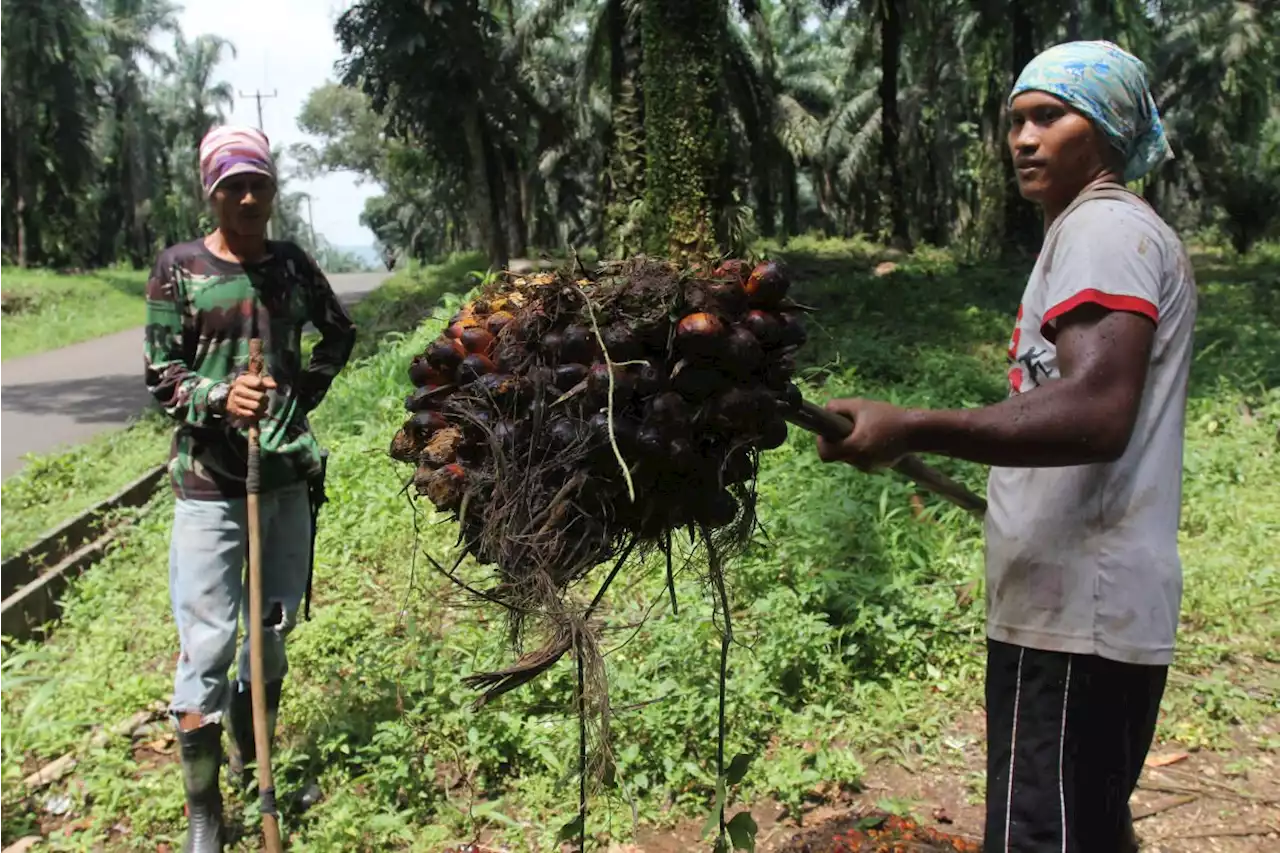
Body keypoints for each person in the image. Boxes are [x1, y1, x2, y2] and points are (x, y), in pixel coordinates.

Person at [816, 41, 1195, 853]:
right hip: (1080, 608)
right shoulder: (1097, 233)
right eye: (1016, 120)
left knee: (1042, 837)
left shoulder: (1102, 229)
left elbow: (1097, 409)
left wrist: (912, 424)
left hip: (1074, 614)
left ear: (1103, 128)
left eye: (1049, 117)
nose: (1024, 138)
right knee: (1083, 829)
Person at [144, 125, 357, 851]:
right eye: (232, 185)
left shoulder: (292, 267)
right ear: (211, 191)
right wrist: (216, 398)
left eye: (257, 183)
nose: (246, 196)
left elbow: (339, 333)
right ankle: (206, 814)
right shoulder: (180, 269)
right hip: (209, 484)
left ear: (272, 189)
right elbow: (160, 374)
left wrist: (300, 398)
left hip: (284, 479)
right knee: (206, 644)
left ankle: (252, 760)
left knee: (269, 630)